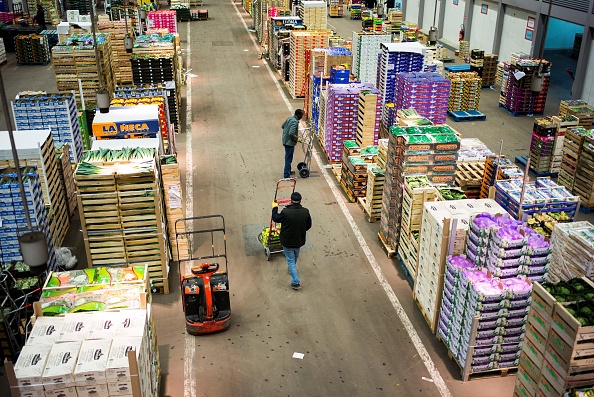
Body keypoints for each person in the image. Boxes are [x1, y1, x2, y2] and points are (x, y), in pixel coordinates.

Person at [272, 192, 312, 290]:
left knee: (290, 261)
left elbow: (276, 218)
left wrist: (274, 208)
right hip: (299, 240)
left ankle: (296, 281)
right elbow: (308, 225)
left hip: (287, 240)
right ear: (300, 201)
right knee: (294, 257)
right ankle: (291, 269)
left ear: (291, 200)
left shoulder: (286, 212)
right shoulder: (305, 212)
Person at [281, 109, 304, 178]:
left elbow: (283, 126)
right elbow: (291, 133)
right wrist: (296, 138)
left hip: (285, 140)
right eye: (301, 115)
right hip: (289, 143)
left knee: (288, 156)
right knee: (288, 158)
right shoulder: (295, 122)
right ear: (298, 115)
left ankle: (288, 170)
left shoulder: (289, 118)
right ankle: (286, 174)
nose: (301, 117)